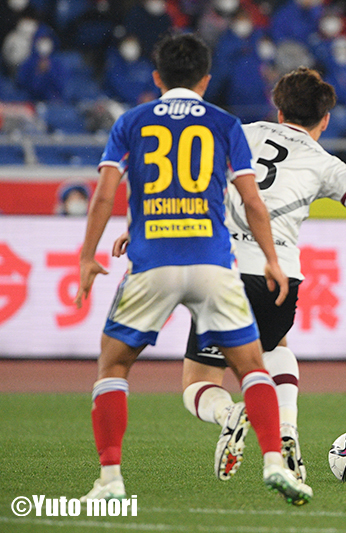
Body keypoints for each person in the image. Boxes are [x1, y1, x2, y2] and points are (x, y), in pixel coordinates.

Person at [114, 67, 346, 483]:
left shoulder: (241, 133)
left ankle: (229, 413)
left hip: (225, 269)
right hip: (281, 277)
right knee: (276, 345)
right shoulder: (326, 163)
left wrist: (140, 227)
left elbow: (182, 178)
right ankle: (288, 429)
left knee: (198, 382)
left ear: (278, 111)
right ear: (324, 120)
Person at [74, 33, 312, 506]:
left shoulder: (131, 121)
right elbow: (252, 201)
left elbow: (104, 194)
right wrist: (270, 258)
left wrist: (87, 255)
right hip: (212, 263)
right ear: (205, 80)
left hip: (152, 261)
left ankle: (110, 479)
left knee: (114, 365)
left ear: (157, 78)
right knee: (252, 367)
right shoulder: (225, 123)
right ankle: (273, 462)